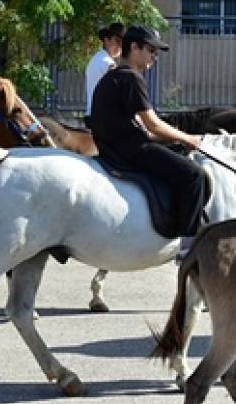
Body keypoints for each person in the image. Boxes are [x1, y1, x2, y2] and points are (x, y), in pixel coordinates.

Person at [89, 25, 206, 241]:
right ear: (134, 47)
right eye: (152, 51)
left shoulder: (112, 76)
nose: (155, 57)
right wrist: (188, 138)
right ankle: (189, 244)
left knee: (177, 151)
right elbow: (153, 125)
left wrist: (175, 141)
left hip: (111, 148)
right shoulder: (131, 78)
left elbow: (142, 127)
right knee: (194, 176)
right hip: (132, 150)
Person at [84, 22, 125, 128]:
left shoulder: (96, 58)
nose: (119, 47)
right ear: (106, 40)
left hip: (92, 114)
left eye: (122, 43)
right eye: (117, 41)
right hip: (104, 118)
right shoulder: (108, 63)